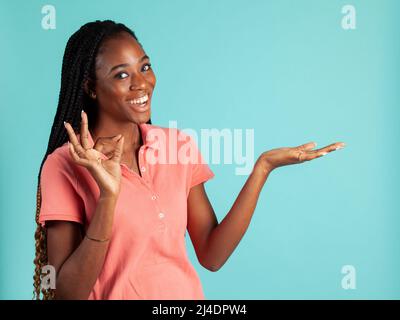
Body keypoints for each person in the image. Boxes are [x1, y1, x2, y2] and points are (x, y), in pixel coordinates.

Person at [34, 20, 345, 300]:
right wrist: (108, 198)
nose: (141, 83)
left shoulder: (176, 145)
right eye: (122, 75)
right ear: (90, 87)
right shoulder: (64, 165)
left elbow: (212, 254)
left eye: (144, 67)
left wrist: (262, 168)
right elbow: (64, 293)